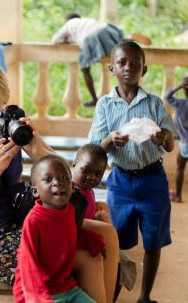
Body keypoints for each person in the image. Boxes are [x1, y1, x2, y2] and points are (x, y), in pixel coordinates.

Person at [0, 60, 118, 303]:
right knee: (88, 258)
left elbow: (64, 174)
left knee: (105, 234)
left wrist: (35, 146)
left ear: (5, 99)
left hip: (18, 224)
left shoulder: (9, 128)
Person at [89, 40, 177, 303]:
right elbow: (94, 147)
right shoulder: (105, 104)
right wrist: (110, 140)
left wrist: (164, 138)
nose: (129, 68)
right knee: (116, 242)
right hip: (121, 182)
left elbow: (171, 143)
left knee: (153, 241)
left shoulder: (154, 104)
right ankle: (110, 294)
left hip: (153, 181)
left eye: (135, 64)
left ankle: (145, 297)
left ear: (144, 70)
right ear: (111, 68)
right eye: (122, 63)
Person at [13, 154, 105, 303]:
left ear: (72, 186)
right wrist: (39, 297)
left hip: (65, 287)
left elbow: (68, 234)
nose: (57, 183)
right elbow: (27, 262)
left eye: (63, 178)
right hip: (37, 292)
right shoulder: (34, 220)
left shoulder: (69, 210)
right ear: (35, 191)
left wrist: (92, 241)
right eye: (48, 180)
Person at [72, 144, 133, 303]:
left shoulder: (87, 191)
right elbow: (73, 226)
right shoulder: (70, 192)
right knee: (114, 260)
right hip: (78, 244)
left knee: (121, 265)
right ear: (74, 164)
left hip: (90, 240)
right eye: (86, 170)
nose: (91, 177)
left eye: (97, 174)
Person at [51, 13, 151, 107]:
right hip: (105, 28)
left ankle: (94, 99)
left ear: (68, 20)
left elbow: (55, 40)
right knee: (117, 46)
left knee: (85, 67)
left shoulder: (69, 24)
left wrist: (69, 40)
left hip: (89, 37)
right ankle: (129, 38)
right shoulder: (85, 20)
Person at [164, 74, 188, 202]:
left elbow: (166, 96)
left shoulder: (180, 104)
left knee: (180, 168)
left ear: (185, 89)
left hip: (185, 144)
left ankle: (178, 195)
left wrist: (179, 85)